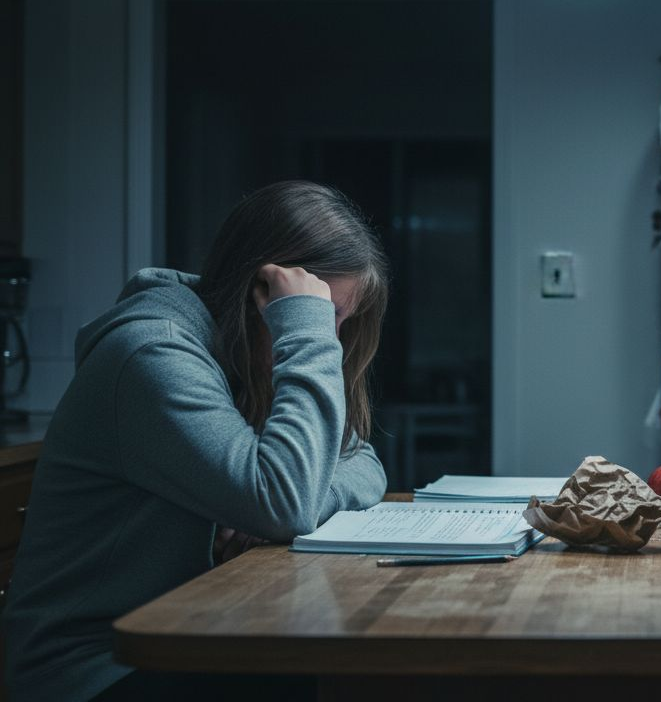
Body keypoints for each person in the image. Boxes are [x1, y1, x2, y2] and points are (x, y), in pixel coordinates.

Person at [3, 181, 391, 701]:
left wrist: (287, 499)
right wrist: (304, 332)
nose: (331, 344)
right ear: (261, 298)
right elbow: (283, 504)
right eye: (324, 320)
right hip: (95, 667)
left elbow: (362, 460)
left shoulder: (238, 356)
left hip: (196, 632)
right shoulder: (151, 354)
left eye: (335, 322)